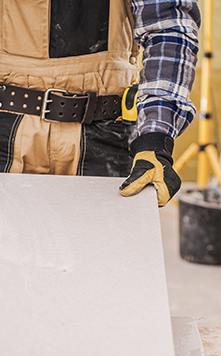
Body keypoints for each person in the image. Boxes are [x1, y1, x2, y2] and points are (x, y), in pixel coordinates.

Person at [0, 0, 200, 206]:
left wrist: (155, 138)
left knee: (105, 236)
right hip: (7, 129)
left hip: (107, 134)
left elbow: (168, 28)